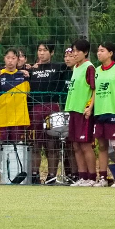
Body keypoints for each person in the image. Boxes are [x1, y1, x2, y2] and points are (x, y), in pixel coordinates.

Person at [89, 42, 115, 186]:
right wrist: (90, 107)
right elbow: (94, 92)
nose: (99, 53)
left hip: (114, 112)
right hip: (99, 113)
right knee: (102, 146)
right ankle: (103, 178)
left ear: (110, 53)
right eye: (98, 51)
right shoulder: (97, 70)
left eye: (102, 50)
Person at [26, 42, 68, 184]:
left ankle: (51, 176)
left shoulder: (59, 67)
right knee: (35, 143)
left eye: (45, 50)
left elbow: (72, 66)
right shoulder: (32, 70)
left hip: (52, 108)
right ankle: (35, 175)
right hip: (35, 108)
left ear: (52, 52)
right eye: (39, 50)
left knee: (52, 144)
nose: (41, 53)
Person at [0, 49, 30, 183]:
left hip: (18, 118)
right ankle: (1, 176)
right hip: (2, 118)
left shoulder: (24, 76)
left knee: (17, 147)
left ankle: (17, 174)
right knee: (1, 146)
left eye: (13, 58)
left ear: (18, 60)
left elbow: (28, 95)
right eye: (8, 58)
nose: (10, 61)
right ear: (4, 59)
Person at [64, 40, 97, 185]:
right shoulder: (75, 68)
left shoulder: (89, 67)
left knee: (85, 145)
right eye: (73, 51)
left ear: (85, 53)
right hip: (73, 110)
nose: (74, 53)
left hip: (83, 112)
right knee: (75, 145)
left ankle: (92, 177)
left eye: (77, 51)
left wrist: (90, 108)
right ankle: (82, 176)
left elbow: (94, 89)